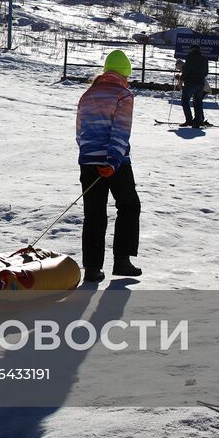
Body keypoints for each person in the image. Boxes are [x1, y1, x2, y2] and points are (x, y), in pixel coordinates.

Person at [76, 50, 142, 284]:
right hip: (116, 164)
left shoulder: (88, 94)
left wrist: (88, 158)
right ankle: (122, 261)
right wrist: (113, 162)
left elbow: (80, 132)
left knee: (93, 214)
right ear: (125, 74)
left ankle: (92, 269)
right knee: (129, 206)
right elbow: (121, 131)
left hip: (88, 161)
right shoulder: (123, 95)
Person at [179, 44, 210, 127]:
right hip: (200, 83)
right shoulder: (204, 59)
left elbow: (186, 70)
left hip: (190, 83)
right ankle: (198, 121)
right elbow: (206, 72)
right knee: (198, 102)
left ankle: (189, 120)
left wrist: (181, 79)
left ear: (191, 50)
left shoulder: (190, 58)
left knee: (185, 101)